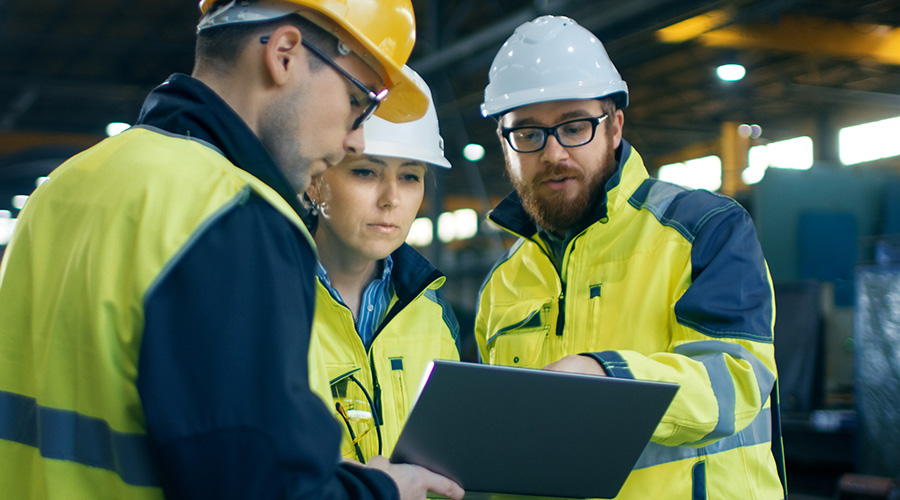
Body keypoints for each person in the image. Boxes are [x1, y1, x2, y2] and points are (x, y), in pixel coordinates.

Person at [0, 1, 463, 499]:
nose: (354, 139)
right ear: (284, 55)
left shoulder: (66, 186)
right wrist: (381, 492)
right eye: (357, 101)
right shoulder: (233, 214)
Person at [474, 15, 784, 499]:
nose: (553, 153)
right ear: (505, 144)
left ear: (614, 127)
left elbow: (735, 385)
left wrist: (608, 375)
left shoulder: (704, 229)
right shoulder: (504, 282)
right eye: (528, 134)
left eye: (574, 127)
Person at [304, 66, 460, 463]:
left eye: (410, 177)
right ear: (314, 181)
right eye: (366, 172)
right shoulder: (268, 300)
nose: (391, 198)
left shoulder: (435, 314)